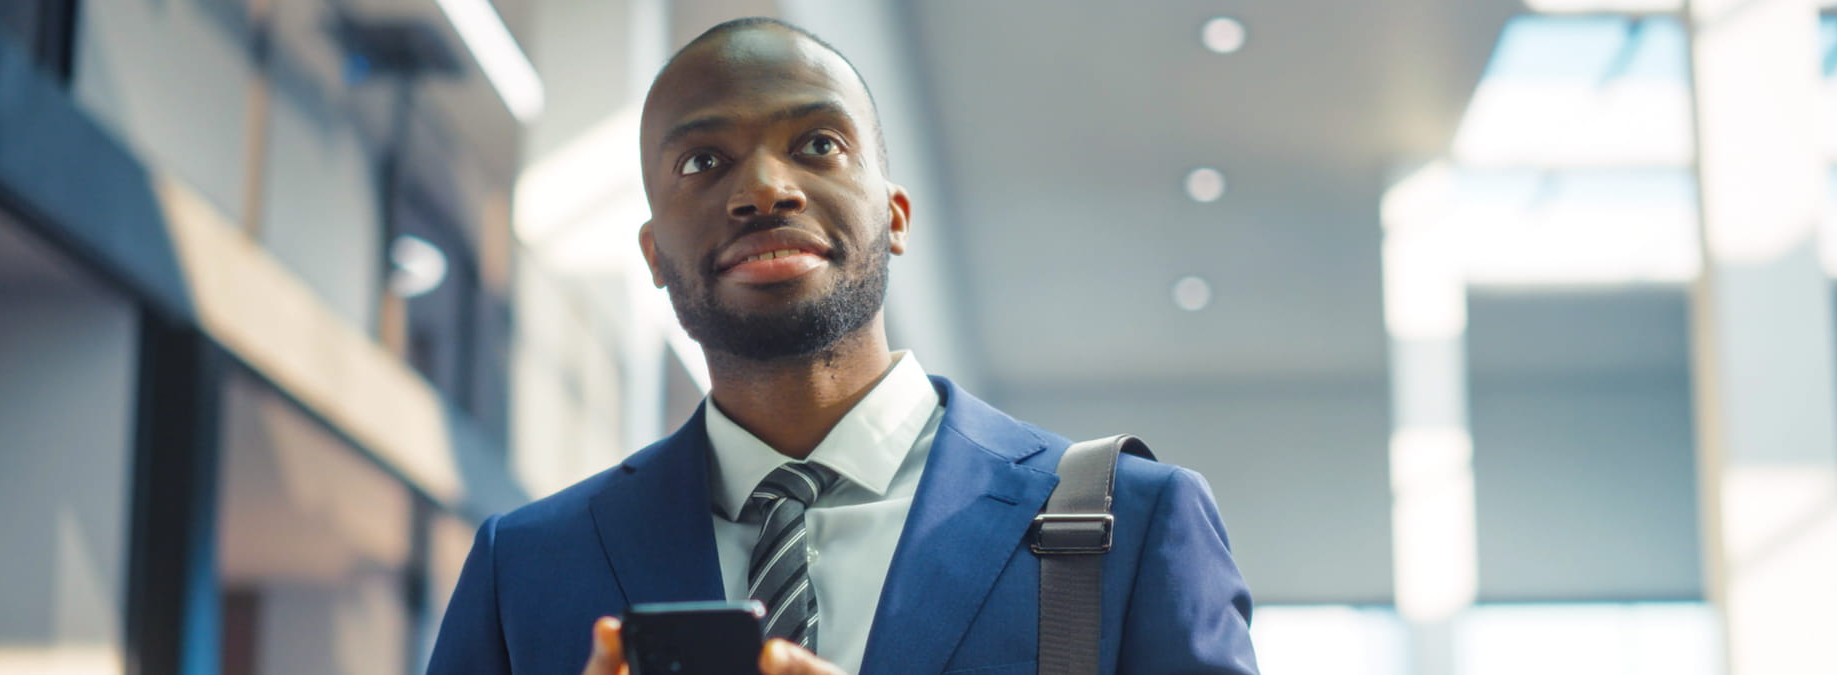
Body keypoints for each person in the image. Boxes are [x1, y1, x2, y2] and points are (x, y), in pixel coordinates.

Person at [424, 17, 1257, 675]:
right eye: (704, 160)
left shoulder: (1132, 526)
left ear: (895, 215)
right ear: (652, 253)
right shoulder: (525, 568)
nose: (761, 189)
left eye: (818, 144)